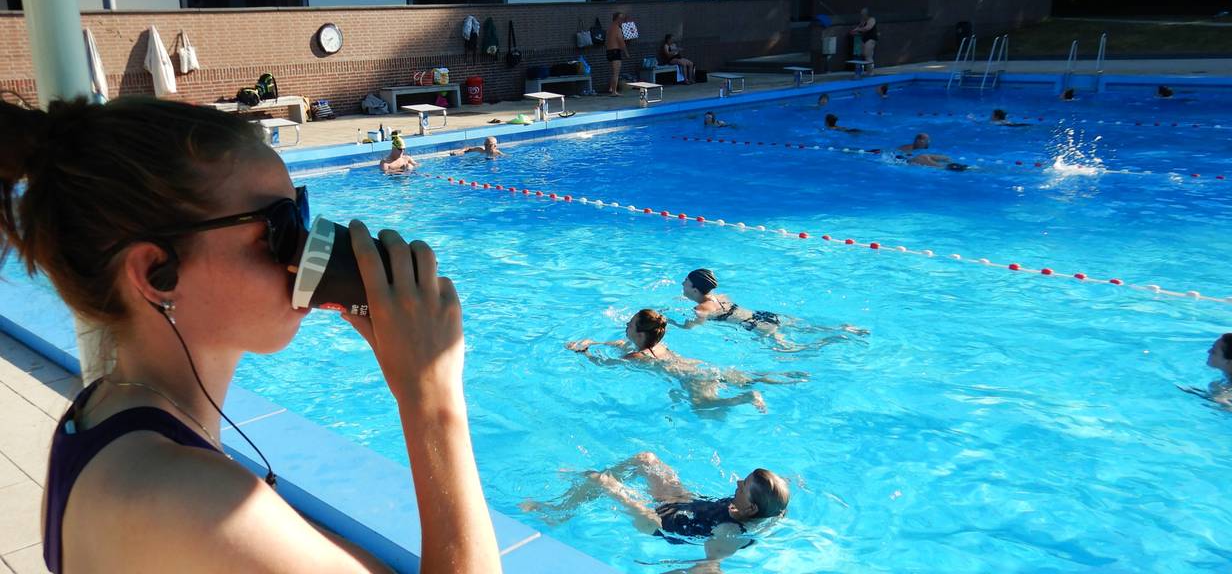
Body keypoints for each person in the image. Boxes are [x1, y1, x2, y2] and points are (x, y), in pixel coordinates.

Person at [0, 98, 500, 573]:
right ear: (157, 274)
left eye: (301, 212)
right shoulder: (187, 498)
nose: (305, 250)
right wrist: (431, 397)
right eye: (278, 229)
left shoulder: (95, 419)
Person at [522, 452, 787, 566]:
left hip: (658, 524)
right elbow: (777, 510)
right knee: (646, 459)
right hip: (683, 503)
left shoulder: (730, 531)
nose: (738, 483)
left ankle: (557, 513)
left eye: (744, 485)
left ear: (752, 508)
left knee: (597, 479)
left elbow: (710, 564)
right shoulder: (754, 508)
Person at [566, 310, 805, 413]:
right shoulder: (657, 346)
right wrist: (596, 342)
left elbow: (606, 364)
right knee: (747, 378)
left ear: (638, 334)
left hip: (693, 380)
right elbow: (621, 343)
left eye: (629, 324)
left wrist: (584, 353)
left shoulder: (636, 356)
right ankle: (779, 377)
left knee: (703, 407)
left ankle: (747, 398)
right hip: (700, 367)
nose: (625, 325)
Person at [678, 268, 863, 350]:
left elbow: (689, 328)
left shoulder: (701, 309)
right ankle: (842, 328)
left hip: (758, 327)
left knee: (795, 350)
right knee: (807, 328)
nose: (682, 283)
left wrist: (671, 322)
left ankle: (835, 338)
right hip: (765, 316)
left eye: (686, 281)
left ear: (695, 289)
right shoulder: (720, 297)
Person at [896, 133, 968, 171]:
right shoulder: (907, 148)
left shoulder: (918, 152)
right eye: (927, 141)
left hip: (919, 159)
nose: (929, 143)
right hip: (916, 159)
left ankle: (956, 167)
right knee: (941, 165)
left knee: (945, 161)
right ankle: (957, 167)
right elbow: (903, 157)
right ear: (920, 141)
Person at [605, 12, 630, 96]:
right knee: (616, 73)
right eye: (621, 19)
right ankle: (614, 92)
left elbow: (606, 41)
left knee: (613, 72)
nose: (622, 21)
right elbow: (621, 42)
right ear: (617, 19)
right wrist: (626, 53)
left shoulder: (609, 28)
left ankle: (611, 88)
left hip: (609, 51)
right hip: (615, 51)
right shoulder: (617, 28)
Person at [849, 8, 878, 73]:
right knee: (863, 55)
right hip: (864, 38)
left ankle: (870, 72)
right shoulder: (863, 20)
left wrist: (858, 29)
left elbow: (868, 28)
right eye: (861, 13)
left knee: (868, 56)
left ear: (867, 13)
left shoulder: (872, 19)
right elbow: (859, 27)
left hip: (871, 38)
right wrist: (854, 31)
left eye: (863, 13)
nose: (861, 14)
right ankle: (865, 71)